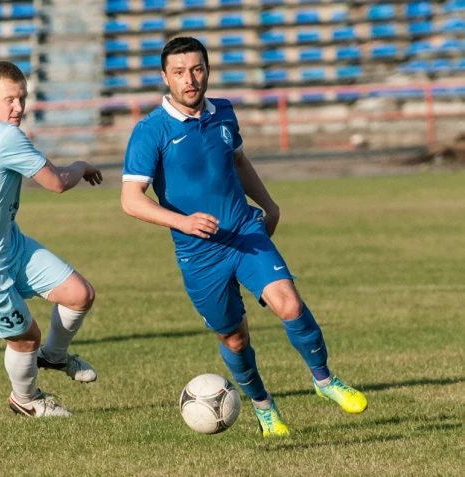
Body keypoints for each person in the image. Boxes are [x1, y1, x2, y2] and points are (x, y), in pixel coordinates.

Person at [121, 37, 367, 437]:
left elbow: (238, 160)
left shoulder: (224, 113)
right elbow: (131, 201)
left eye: (197, 69)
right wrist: (182, 223)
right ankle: (264, 407)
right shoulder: (150, 131)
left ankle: (325, 381)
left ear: (208, 71)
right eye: (180, 72)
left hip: (243, 231)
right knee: (234, 338)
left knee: (288, 303)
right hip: (199, 254)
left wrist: (269, 205)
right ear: (165, 77)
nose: (190, 79)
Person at [0, 61, 103, 418]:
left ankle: (55, 357)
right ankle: (25, 400)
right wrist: (81, 164)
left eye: (22, 98)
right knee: (27, 337)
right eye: (9, 99)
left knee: (79, 295)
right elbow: (57, 182)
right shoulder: (6, 137)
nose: (18, 107)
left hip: (9, 245)